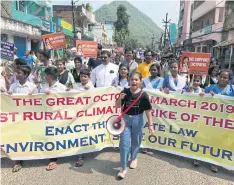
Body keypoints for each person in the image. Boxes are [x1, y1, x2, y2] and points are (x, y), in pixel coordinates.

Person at [115, 72, 154, 179]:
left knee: (136, 140)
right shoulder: (125, 92)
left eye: (136, 80)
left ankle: (134, 157)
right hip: (126, 120)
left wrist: (151, 125)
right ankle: (123, 168)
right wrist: (119, 98)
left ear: (140, 81)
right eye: (132, 79)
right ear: (129, 81)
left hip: (138, 119)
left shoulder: (143, 95)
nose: (134, 82)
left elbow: (148, 111)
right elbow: (117, 106)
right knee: (124, 143)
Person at [7, 65, 38, 172]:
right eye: (17, 72)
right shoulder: (13, 86)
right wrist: (9, 95)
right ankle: (18, 161)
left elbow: (38, 103)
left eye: (19, 73)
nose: (17, 74)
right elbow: (8, 100)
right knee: (17, 138)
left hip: (29, 118)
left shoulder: (32, 87)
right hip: (16, 117)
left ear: (25, 74)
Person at [39, 67, 66, 171]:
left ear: (49, 76)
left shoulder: (61, 88)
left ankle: (53, 159)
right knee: (48, 136)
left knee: (54, 137)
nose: (44, 77)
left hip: (57, 116)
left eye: (45, 75)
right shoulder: (44, 87)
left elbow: (68, 101)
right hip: (45, 115)